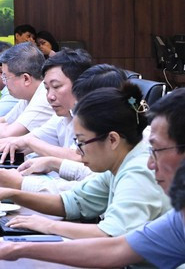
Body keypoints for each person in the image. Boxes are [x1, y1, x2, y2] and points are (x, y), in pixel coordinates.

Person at [0, 88, 185, 269]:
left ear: (112, 140)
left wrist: (47, 228)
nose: (150, 163)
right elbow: (79, 208)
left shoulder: (138, 170)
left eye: (156, 150)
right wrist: (15, 243)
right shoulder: (178, 219)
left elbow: (109, 240)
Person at [0, 49, 93, 179]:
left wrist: (30, 143)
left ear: (79, 85)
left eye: (56, 87)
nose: (50, 96)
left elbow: (81, 157)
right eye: (47, 88)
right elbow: (20, 141)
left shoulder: (92, 114)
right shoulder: (62, 113)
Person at [10, 64, 127, 192]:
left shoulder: (132, 167)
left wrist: (22, 184)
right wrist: (52, 163)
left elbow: (83, 194)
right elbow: (89, 178)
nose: (78, 152)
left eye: (81, 142)